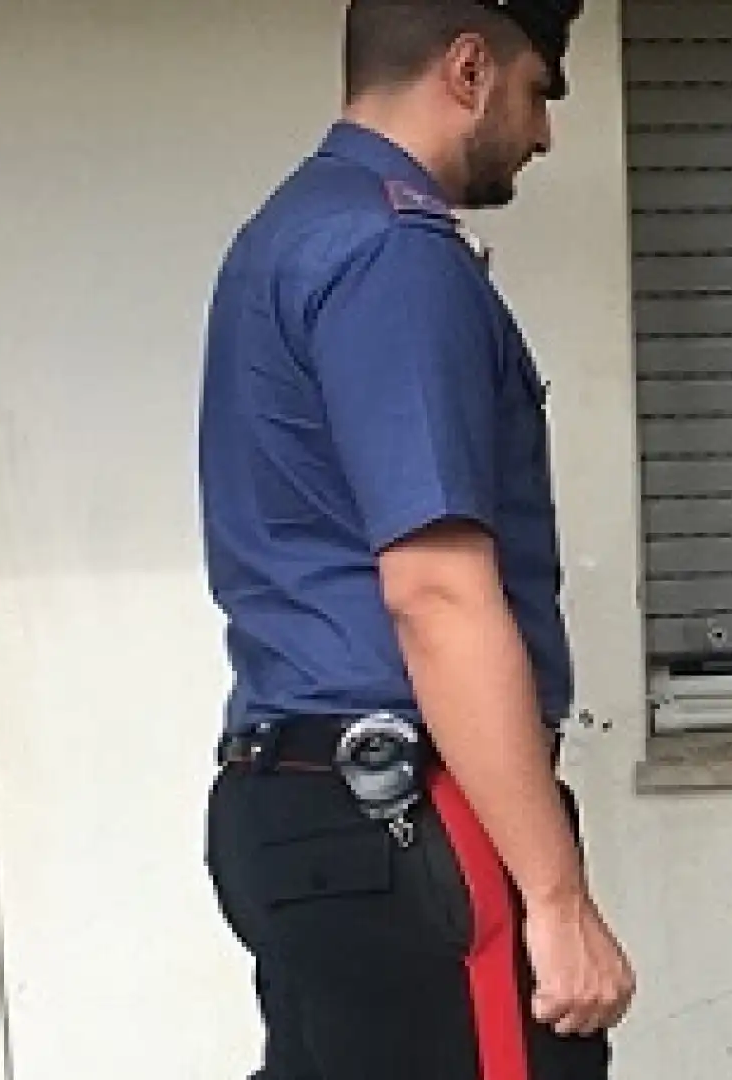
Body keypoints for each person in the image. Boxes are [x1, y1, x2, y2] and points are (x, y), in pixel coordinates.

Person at [196, 2, 634, 1077]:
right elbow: (436, 592)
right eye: (539, 93)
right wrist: (558, 898)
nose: (542, 134)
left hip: (303, 806)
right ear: (471, 68)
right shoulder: (395, 254)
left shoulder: (289, 232)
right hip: (406, 814)